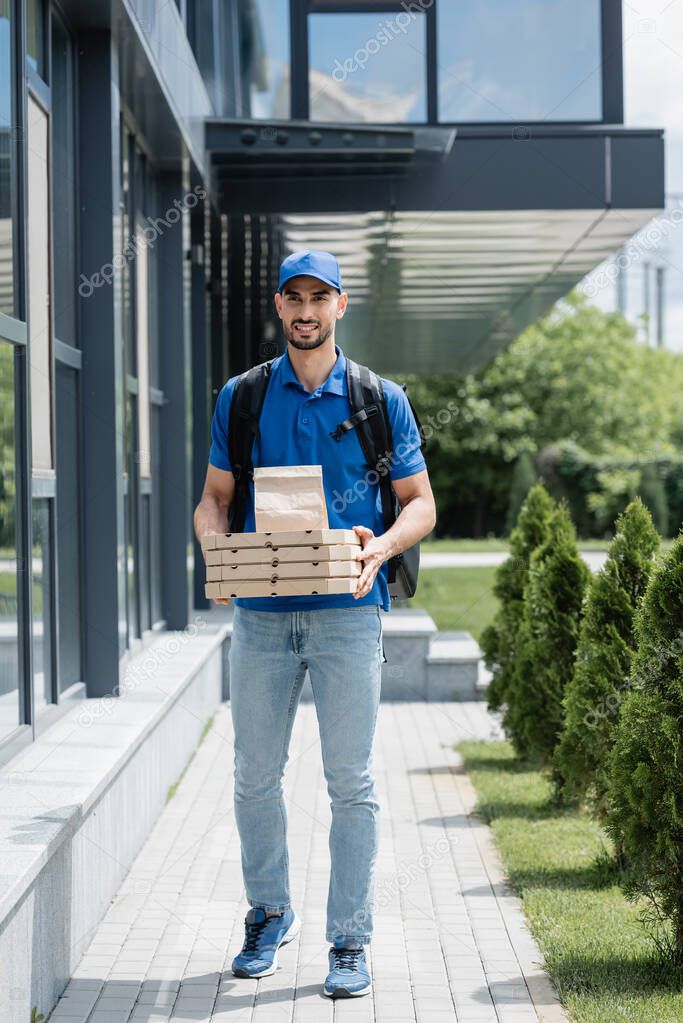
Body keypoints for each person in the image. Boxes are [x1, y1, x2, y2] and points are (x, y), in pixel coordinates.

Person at [193, 249, 436, 999]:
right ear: (277, 305)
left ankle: (349, 939)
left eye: (318, 298)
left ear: (340, 304)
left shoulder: (375, 398)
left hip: (347, 618)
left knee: (351, 781)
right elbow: (212, 498)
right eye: (293, 297)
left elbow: (420, 501)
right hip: (262, 621)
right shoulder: (242, 398)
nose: (305, 310)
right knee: (253, 778)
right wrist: (218, 556)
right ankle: (269, 912)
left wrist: (384, 545)